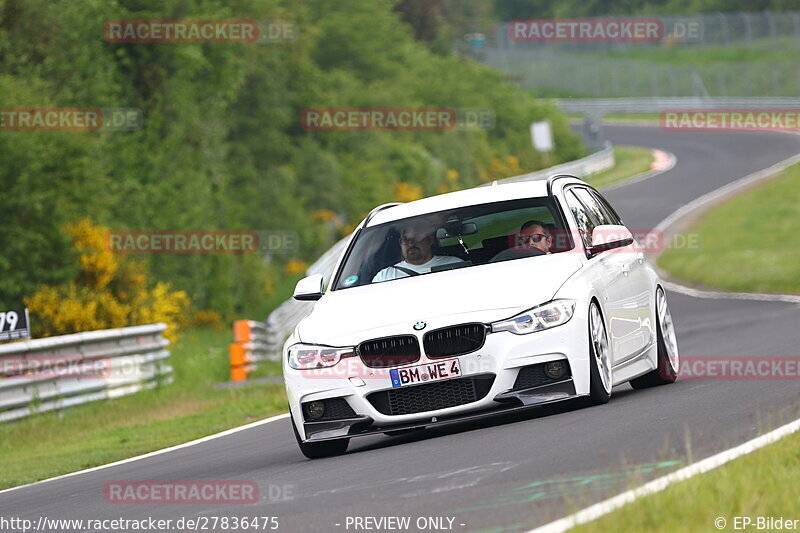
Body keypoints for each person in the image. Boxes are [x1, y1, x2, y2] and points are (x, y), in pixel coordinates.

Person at [372, 221, 462, 283]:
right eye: (406, 239)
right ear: (400, 243)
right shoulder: (384, 276)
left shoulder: (454, 265)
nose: (411, 244)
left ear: (430, 240)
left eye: (417, 238)